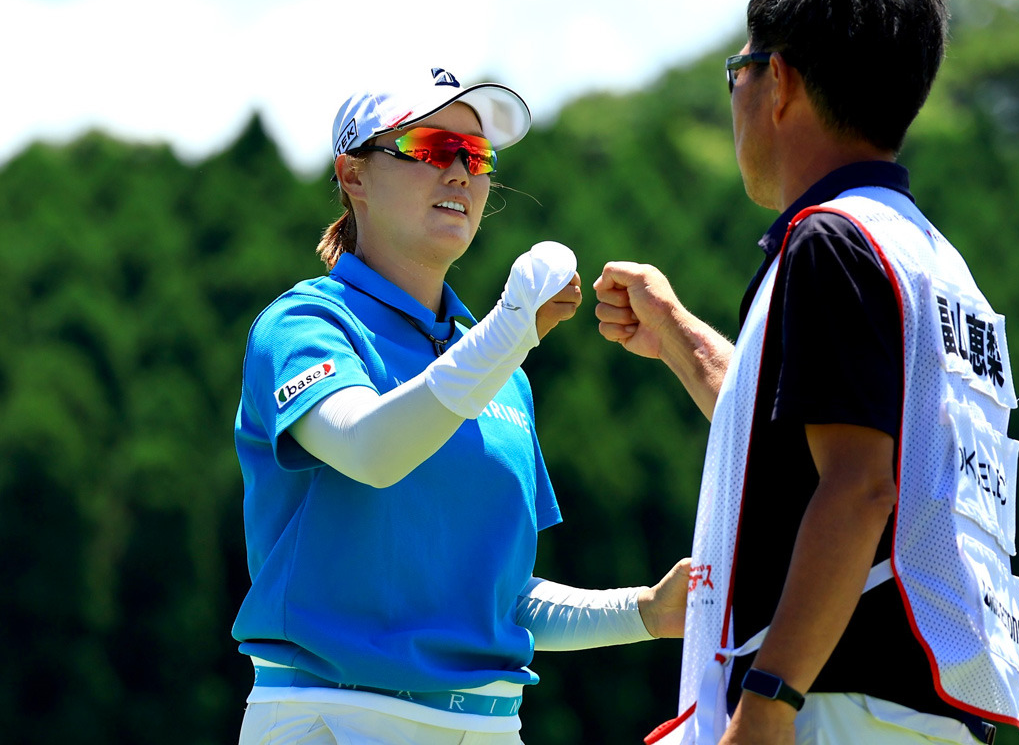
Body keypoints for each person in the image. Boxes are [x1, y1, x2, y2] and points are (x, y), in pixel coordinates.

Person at [593, 0, 1019, 744]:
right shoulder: (929, 259)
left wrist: (768, 698)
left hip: (833, 705)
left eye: (737, 72)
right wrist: (680, 338)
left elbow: (857, 489)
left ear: (777, 82)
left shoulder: (828, 242)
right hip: (924, 709)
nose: (736, 93)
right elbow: (805, 437)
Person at [232, 67, 689, 745]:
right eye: (429, 148)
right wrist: (509, 332)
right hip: (333, 718)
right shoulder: (306, 325)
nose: (460, 173)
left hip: (494, 727)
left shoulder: (500, 367)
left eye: (475, 157)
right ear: (353, 176)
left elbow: (497, 597)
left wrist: (646, 610)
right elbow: (369, 449)